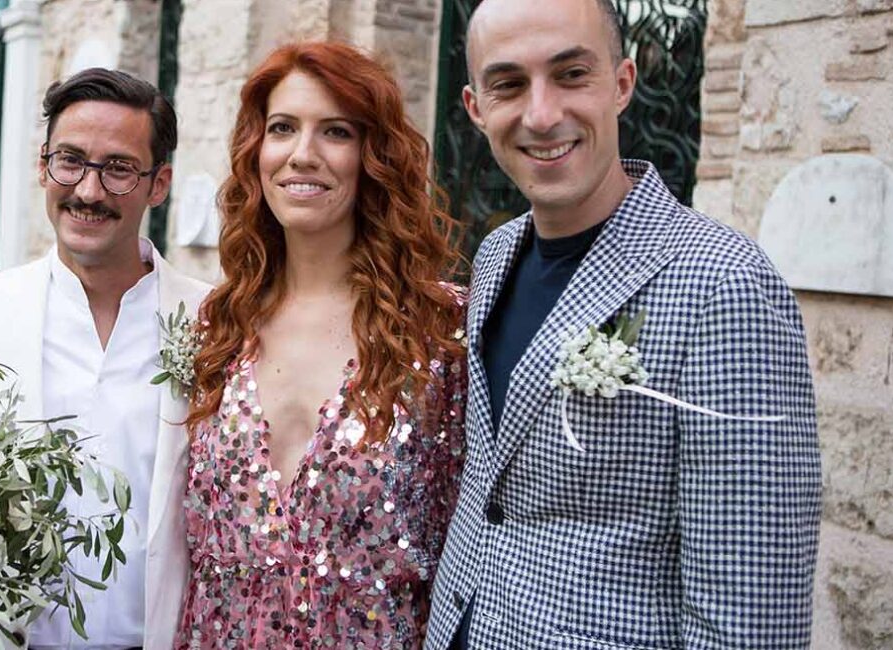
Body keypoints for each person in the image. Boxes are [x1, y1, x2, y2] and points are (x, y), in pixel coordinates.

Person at [424, 1, 822, 648]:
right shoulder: (495, 256)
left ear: (622, 83)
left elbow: (749, 605)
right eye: (509, 84)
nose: (541, 114)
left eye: (571, 74)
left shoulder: (724, 283)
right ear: (475, 108)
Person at [0, 68, 210, 650]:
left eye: (118, 168)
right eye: (70, 161)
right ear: (42, 166)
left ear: (159, 184)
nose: (88, 190)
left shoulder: (216, 321)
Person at [176, 42, 467, 650]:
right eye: (282, 128)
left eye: (335, 131)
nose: (302, 154)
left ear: (374, 156)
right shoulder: (217, 326)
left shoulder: (440, 331)